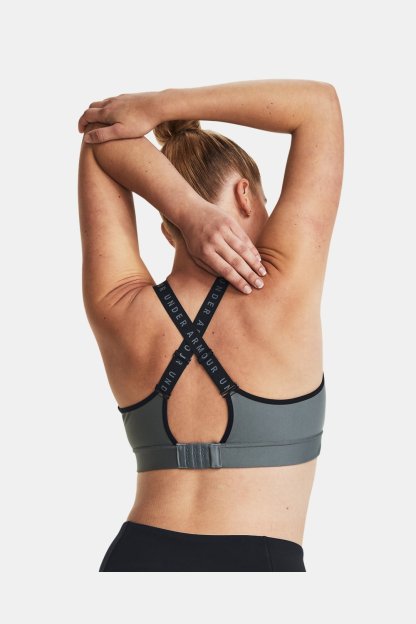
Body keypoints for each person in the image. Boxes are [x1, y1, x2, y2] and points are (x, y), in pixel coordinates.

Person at [77, 79, 344, 572]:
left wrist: (185, 211)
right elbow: (318, 105)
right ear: (246, 195)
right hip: (258, 566)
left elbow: (98, 138)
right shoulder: (283, 288)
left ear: (166, 230)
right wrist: (161, 106)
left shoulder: (120, 305)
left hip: (136, 558)